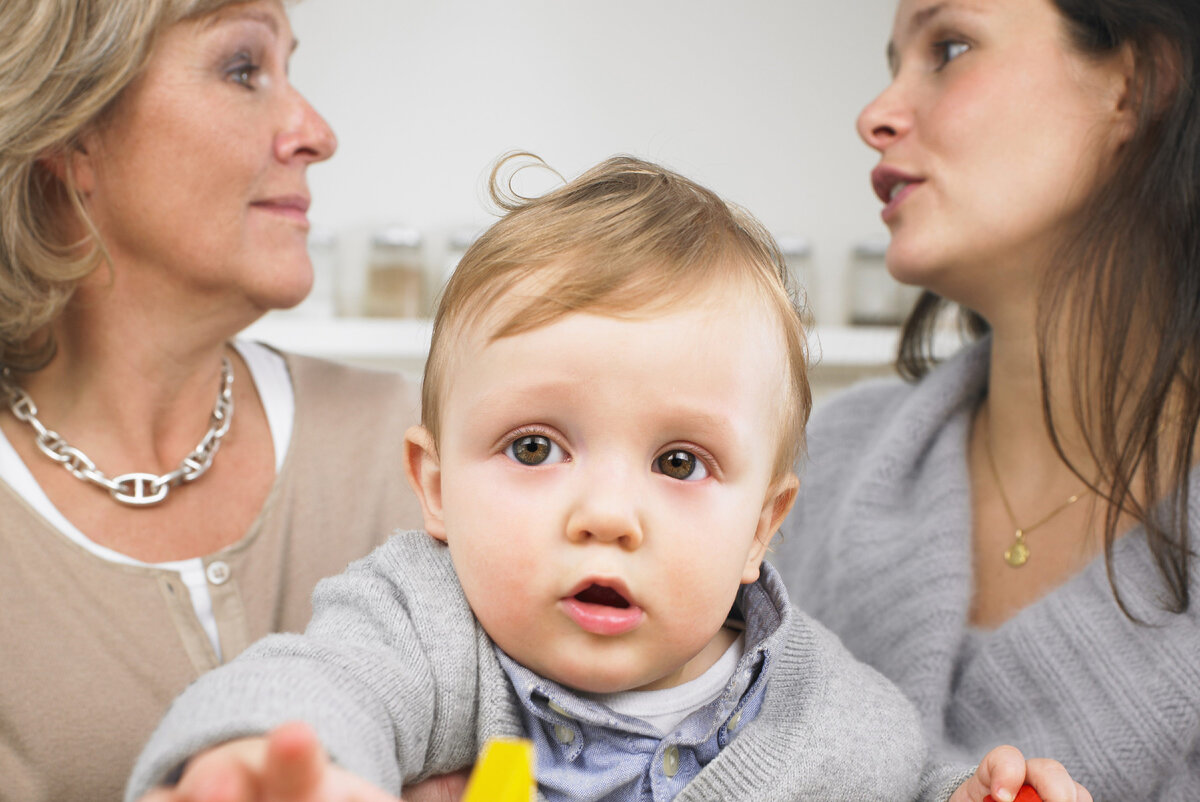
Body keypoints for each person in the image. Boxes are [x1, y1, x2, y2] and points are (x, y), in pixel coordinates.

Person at [126, 155, 1089, 802]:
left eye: (679, 462)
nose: (606, 516)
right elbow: (317, 683)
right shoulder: (427, 624)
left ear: (764, 524)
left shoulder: (832, 715)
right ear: (433, 485)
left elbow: (911, 782)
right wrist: (255, 758)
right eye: (535, 448)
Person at [0, 2, 430, 799]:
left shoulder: (419, 451)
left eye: (288, 69)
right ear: (71, 130)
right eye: (244, 69)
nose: (316, 133)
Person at [772, 0, 1200, 800]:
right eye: (893, 63)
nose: (875, 115)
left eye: (951, 46)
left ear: (1136, 86)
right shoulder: (812, 471)